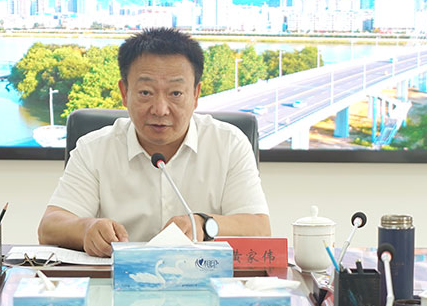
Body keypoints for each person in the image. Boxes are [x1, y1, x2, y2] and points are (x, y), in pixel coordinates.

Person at [38, 28, 271, 256]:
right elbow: (49, 227)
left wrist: (204, 225)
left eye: (175, 93)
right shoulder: (94, 149)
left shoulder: (229, 144)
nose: (160, 110)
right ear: (124, 92)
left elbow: (259, 229)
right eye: (146, 93)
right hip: (117, 278)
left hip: (204, 276)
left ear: (196, 94)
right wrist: (87, 228)